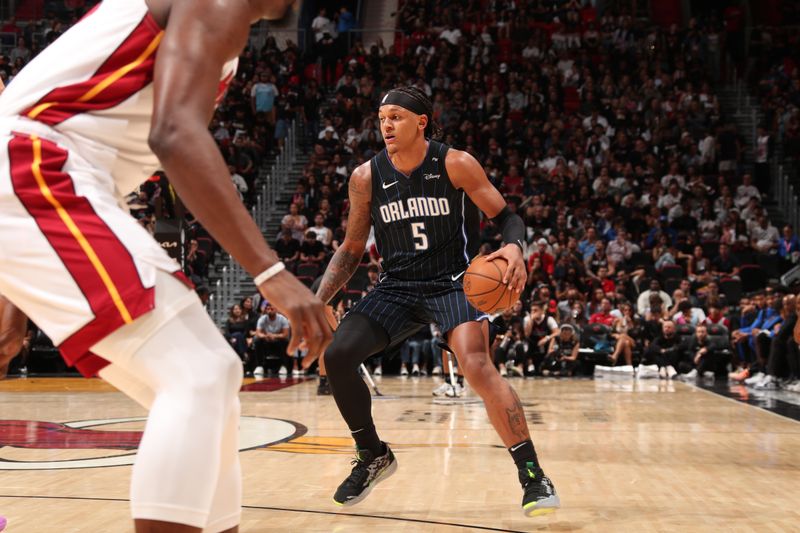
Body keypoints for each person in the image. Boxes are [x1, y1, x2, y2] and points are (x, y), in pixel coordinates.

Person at [0, 2, 333, 532]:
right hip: (40, 169)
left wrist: (14, 293)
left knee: (212, 380)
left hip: (38, 178)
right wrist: (270, 272)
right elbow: (173, 134)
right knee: (197, 375)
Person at [313, 86, 559, 516]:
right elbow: (352, 248)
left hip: (455, 283)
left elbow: (508, 218)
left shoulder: (455, 163)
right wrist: (316, 303)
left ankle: (533, 475)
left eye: (396, 117)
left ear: (420, 122)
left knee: (477, 365)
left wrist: (516, 246)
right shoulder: (365, 177)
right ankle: (373, 454)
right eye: (382, 117)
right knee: (337, 356)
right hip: (397, 286)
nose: (386, 125)